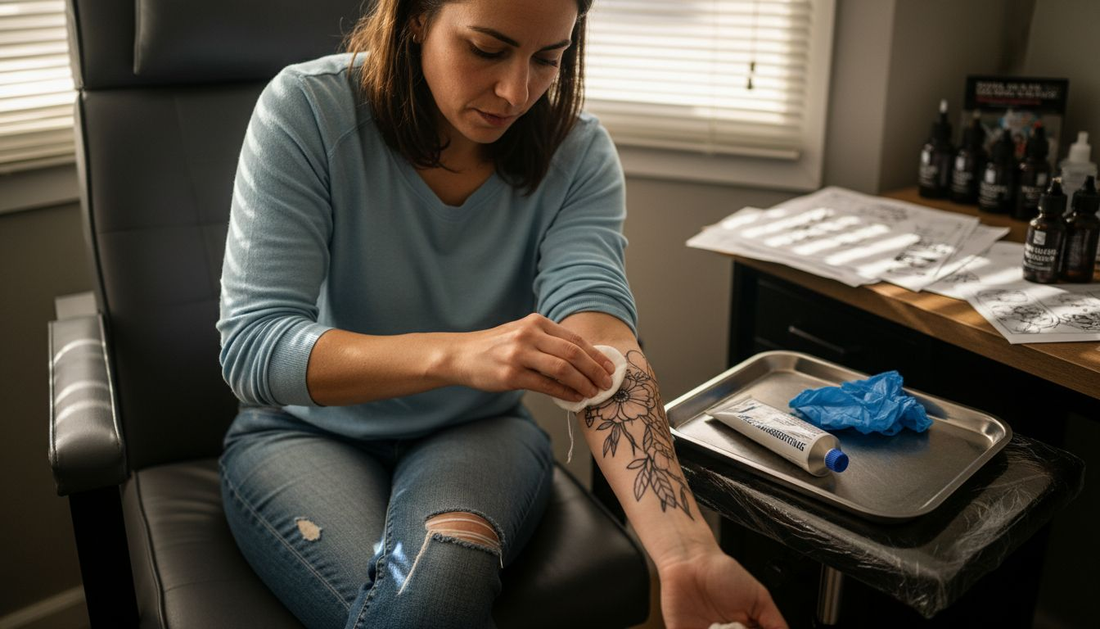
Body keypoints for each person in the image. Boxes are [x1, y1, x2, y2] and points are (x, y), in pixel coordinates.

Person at [216, 0, 788, 627]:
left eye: (549, 57)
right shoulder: (307, 109)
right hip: (304, 434)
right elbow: (255, 347)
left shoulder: (579, 154)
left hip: (478, 433)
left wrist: (686, 552)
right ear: (413, 18)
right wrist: (460, 354)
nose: (516, 92)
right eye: (487, 49)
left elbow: (602, 352)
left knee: (437, 590)